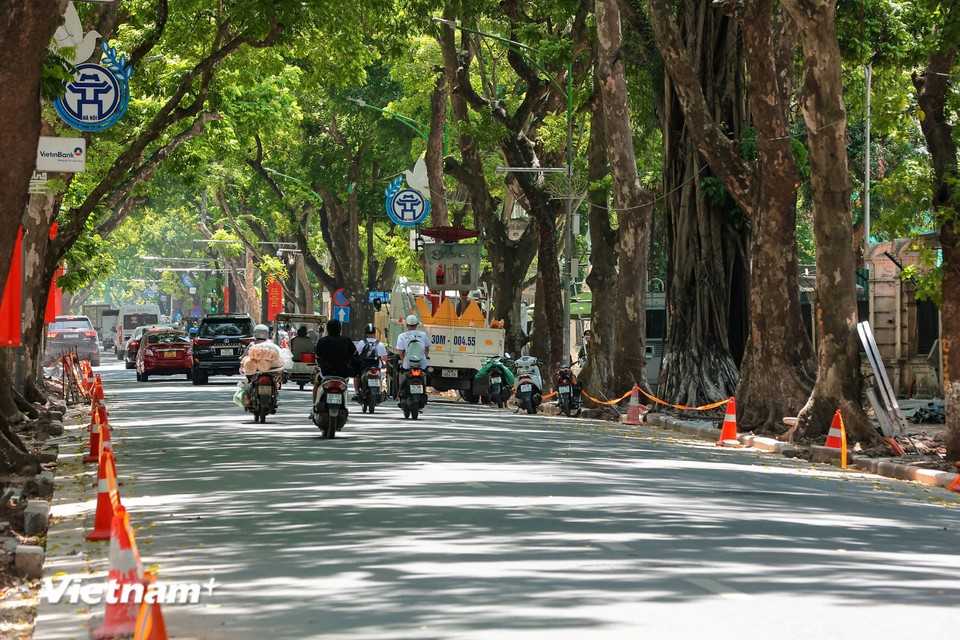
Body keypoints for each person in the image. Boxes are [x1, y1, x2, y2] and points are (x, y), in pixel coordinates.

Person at [312, 318, 356, 409]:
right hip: (344, 374)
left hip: (326, 374)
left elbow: (317, 356)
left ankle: (315, 405)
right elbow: (355, 355)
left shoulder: (322, 341)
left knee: (316, 382)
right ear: (340, 329)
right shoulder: (347, 340)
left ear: (328, 329)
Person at [395, 314, 430, 399]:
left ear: (407, 325)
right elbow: (427, 347)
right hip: (421, 363)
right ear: (416, 324)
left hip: (408, 364)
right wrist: (426, 356)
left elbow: (400, 351)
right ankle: (424, 390)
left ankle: (399, 393)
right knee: (424, 375)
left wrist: (403, 360)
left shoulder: (402, 336)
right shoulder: (423, 334)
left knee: (401, 374)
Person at [354, 323, 388, 400]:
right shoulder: (380, 344)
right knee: (380, 377)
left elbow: (356, 354)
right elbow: (385, 358)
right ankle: (380, 391)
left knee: (357, 376)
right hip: (376, 366)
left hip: (364, 367)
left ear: (366, 333)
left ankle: (356, 392)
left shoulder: (361, 343)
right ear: (374, 333)